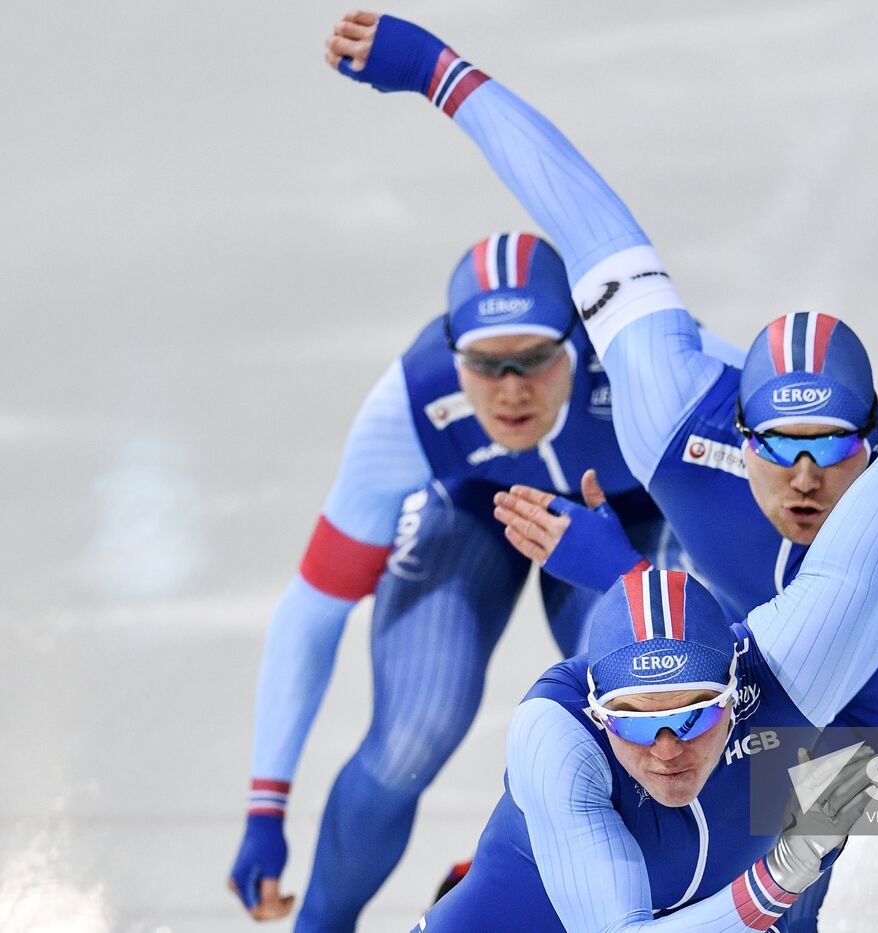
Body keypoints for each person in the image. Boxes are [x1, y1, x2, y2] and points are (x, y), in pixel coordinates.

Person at [324, 11, 878, 932]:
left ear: (872, 442)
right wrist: (441, 74)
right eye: (778, 450)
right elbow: (585, 218)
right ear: (737, 434)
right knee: (730, 870)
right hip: (756, 708)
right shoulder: (675, 418)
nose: (804, 481)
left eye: (833, 450)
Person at [227, 233, 723, 930]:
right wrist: (265, 801)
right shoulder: (409, 401)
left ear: (579, 341)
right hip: (470, 508)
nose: (513, 388)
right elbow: (315, 604)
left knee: (651, 705)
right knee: (411, 732)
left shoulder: (650, 362)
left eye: (537, 360)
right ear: (452, 353)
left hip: (622, 516)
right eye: (487, 366)